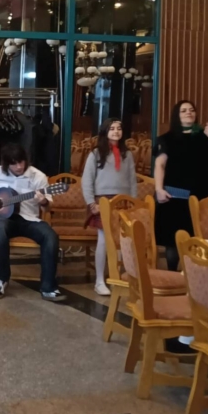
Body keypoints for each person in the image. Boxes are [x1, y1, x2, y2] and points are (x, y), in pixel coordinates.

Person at [0, 143, 66, 302]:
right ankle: (1, 279)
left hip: (30, 220)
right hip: (5, 219)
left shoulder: (38, 176)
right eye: (14, 163)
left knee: (50, 236)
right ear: (6, 164)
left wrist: (43, 202)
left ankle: (48, 287)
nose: (19, 166)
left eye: (21, 161)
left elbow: (48, 208)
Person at [154, 100, 208, 271]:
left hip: (205, 194)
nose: (188, 112)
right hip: (176, 195)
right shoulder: (167, 139)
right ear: (177, 115)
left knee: (204, 238)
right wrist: (158, 189)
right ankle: (174, 276)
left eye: (191, 110)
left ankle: (202, 275)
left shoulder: (206, 136)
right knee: (174, 241)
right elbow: (160, 165)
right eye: (183, 110)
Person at [81, 118, 137, 296]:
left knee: (122, 241)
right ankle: (99, 280)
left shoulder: (127, 155)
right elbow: (87, 181)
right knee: (104, 240)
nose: (116, 131)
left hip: (123, 200)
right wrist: (92, 203)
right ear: (105, 132)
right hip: (103, 200)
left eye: (119, 128)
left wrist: (133, 203)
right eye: (112, 128)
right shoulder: (96, 154)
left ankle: (117, 277)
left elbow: (132, 181)